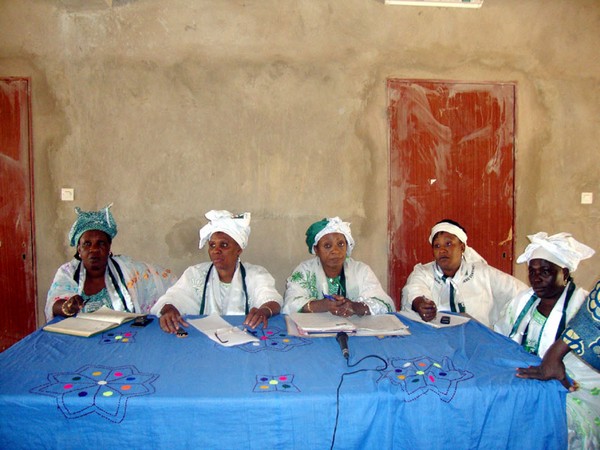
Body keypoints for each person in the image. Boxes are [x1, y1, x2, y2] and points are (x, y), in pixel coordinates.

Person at [495, 232, 598, 449]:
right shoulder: (522, 302)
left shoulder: (583, 306)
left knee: (545, 422)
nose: (536, 278)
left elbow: (584, 367)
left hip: (570, 387)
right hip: (524, 379)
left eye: (545, 271)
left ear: (565, 273)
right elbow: (501, 338)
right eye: (531, 272)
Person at [151, 210, 282, 333]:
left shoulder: (255, 275)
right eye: (212, 245)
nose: (216, 250)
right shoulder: (195, 274)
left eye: (224, 245)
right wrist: (169, 310)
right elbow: (172, 298)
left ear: (239, 249)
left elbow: (272, 300)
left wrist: (264, 311)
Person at [45, 204, 177, 321]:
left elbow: (169, 284)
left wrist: (168, 307)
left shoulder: (128, 269)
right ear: (79, 248)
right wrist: (67, 307)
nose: (94, 249)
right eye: (87, 244)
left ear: (109, 247)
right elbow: (54, 302)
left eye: (101, 243)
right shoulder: (68, 272)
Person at [401, 219, 527, 327]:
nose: (442, 250)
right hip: (437, 342)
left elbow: (518, 291)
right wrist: (420, 303)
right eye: (437, 246)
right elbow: (414, 290)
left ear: (462, 247)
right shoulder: (423, 272)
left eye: (448, 244)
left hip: (478, 343)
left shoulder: (483, 273)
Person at [283, 217, 395, 316]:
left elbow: (384, 304)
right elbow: (289, 304)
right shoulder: (305, 271)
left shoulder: (361, 270)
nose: (335, 251)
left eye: (341, 244)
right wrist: (321, 305)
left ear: (347, 246)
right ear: (316, 250)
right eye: (327, 246)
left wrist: (355, 307)